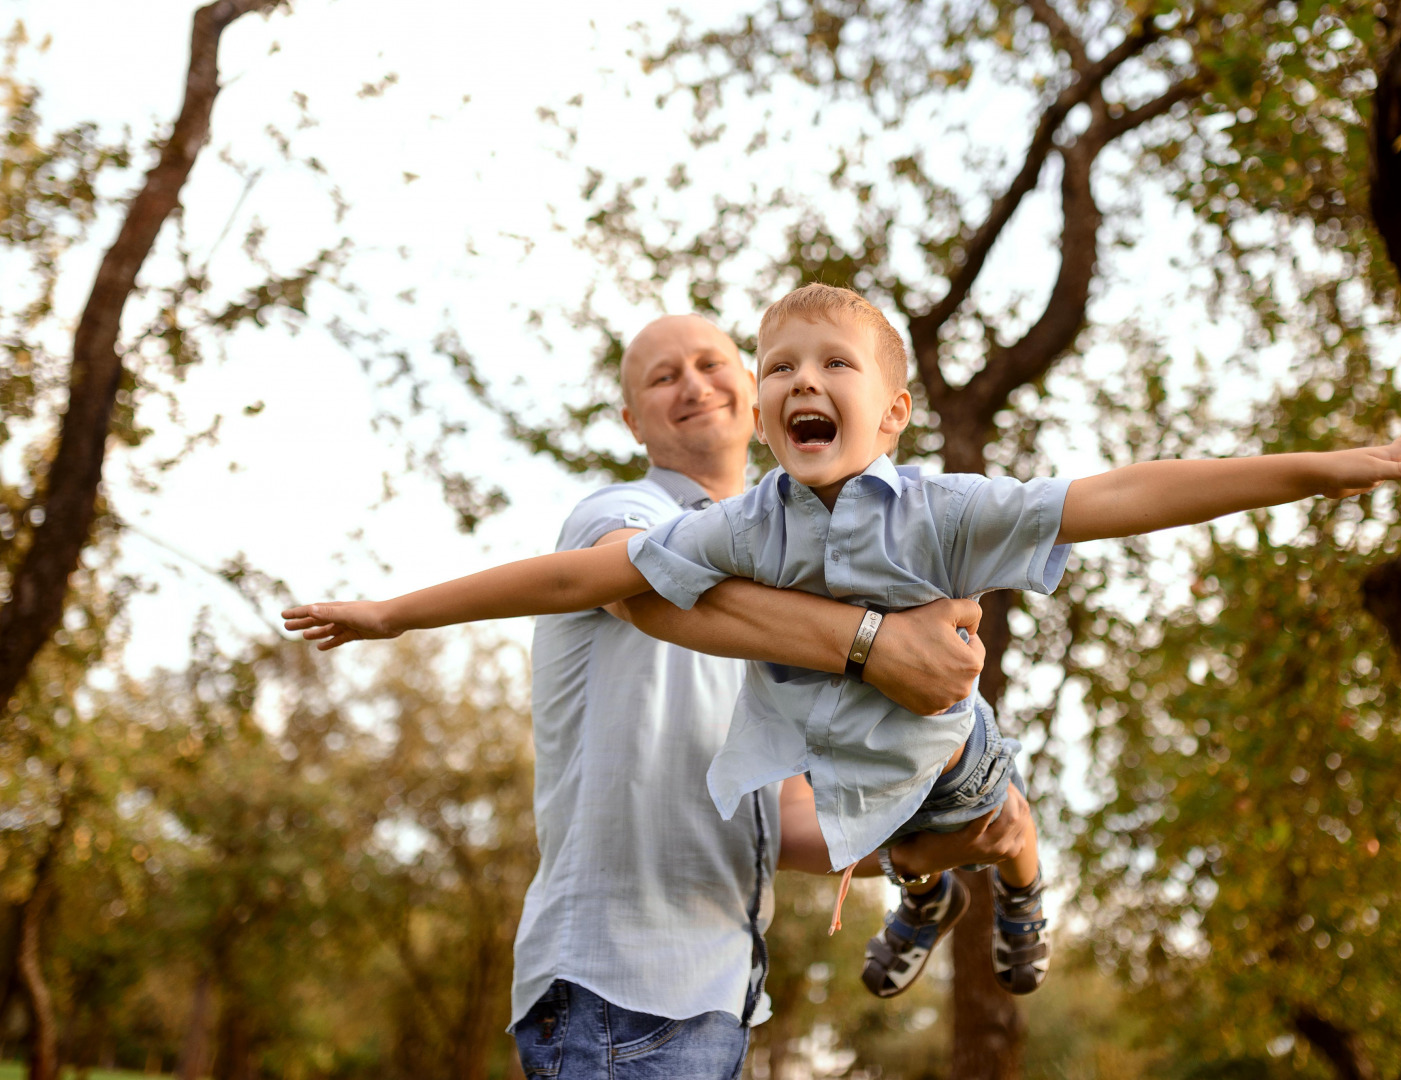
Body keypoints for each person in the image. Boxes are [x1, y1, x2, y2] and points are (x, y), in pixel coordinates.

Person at [285, 286, 1401, 1006]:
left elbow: (1124, 493)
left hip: (944, 763)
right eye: (780, 361)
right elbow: (595, 582)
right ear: (638, 418)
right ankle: (926, 892)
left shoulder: (939, 509)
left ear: (890, 414)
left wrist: (1320, 468)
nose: (798, 379)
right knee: (915, 842)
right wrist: (394, 612)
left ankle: (1016, 890)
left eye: (824, 366)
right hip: (838, 819)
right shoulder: (711, 529)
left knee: (991, 823)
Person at [288, 313, 1028, 1079]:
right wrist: (877, 646)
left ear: (753, 396)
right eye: (662, 376)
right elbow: (639, 587)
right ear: (632, 421)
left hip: (717, 999)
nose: (693, 384)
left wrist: (928, 844)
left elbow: (778, 824)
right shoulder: (617, 516)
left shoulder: (779, 579)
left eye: (712, 364)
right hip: (617, 990)